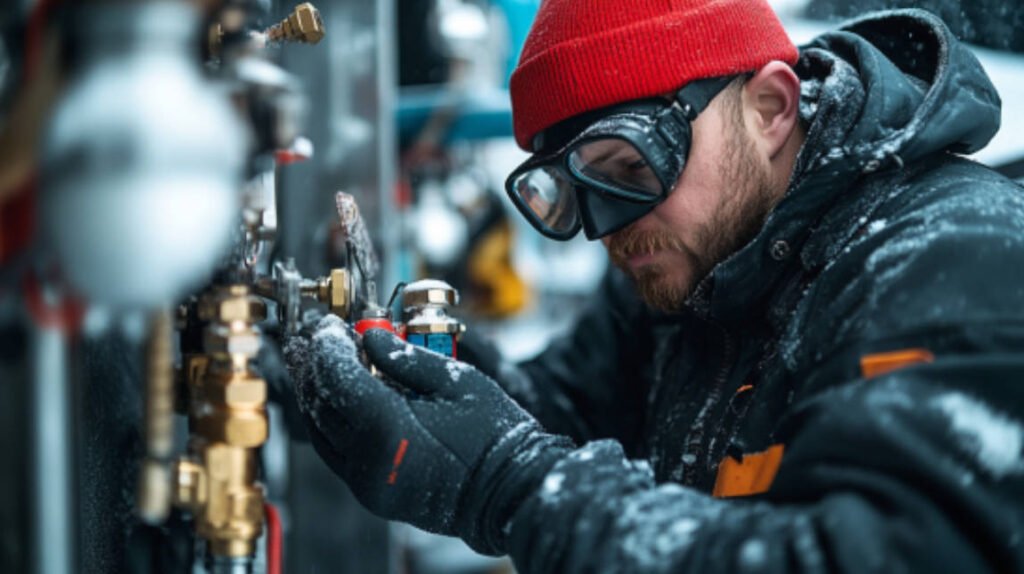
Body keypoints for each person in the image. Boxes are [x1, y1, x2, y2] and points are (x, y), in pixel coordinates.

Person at [283, 1, 1024, 571]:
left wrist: (510, 484)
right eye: (571, 194)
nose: (605, 229)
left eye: (630, 169)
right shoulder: (694, 257)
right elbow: (566, 412)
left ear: (771, 106)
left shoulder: (951, 265)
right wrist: (418, 388)